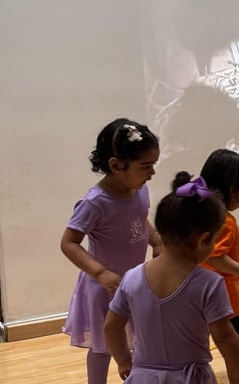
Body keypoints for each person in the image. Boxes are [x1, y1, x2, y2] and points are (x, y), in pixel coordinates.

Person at [104, 173, 239, 384]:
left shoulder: (131, 277)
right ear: (204, 241)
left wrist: (124, 361)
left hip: (143, 377)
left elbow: (111, 326)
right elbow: (225, 337)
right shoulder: (209, 284)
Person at [60, 118, 161, 384]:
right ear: (116, 165)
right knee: (103, 345)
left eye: (154, 165)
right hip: (104, 288)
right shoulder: (95, 201)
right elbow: (69, 243)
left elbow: (139, 218)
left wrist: (157, 241)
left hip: (135, 282)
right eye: (146, 166)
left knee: (141, 337)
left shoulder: (140, 190)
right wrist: (101, 273)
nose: (152, 173)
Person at [199, 149, 239, 343]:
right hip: (223, 292)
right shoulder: (223, 220)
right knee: (235, 338)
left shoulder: (204, 213)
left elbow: (208, 245)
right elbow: (214, 256)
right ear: (233, 190)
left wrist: (235, 240)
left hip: (202, 289)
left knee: (199, 336)